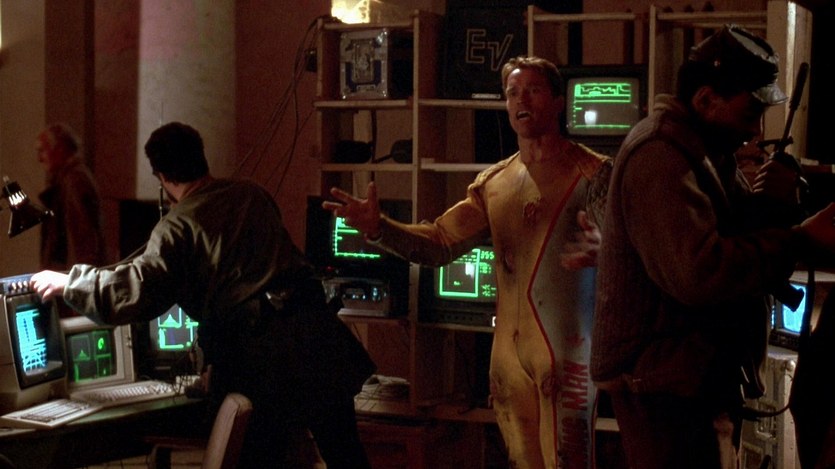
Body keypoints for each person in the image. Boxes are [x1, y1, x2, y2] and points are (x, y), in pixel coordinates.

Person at [30, 122, 376, 469]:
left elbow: (138, 289)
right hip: (319, 340)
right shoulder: (252, 194)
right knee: (346, 455)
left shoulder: (177, 226)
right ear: (200, 157)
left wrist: (70, 283)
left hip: (263, 365)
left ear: (162, 176)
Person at [325, 55, 611, 469]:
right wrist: (379, 228)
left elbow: (634, 247)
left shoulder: (593, 173)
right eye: (512, 93)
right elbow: (440, 242)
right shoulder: (494, 183)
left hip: (567, 353)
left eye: (532, 90)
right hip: (507, 359)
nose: (521, 100)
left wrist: (609, 251)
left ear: (557, 101)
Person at [590, 24, 835, 469]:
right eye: (749, 113)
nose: (755, 130)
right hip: (661, 389)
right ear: (705, 100)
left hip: (688, 380)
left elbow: (733, 230)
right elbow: (700, 272)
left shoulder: (702, 148)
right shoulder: (660, 155)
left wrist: (774, 204)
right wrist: (798, 239)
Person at [35, 123, 107, 271]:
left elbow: (83, 240)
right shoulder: (70, 179)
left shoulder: (74, 181)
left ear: (60, 149)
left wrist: (79, 278)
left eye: (42, 150)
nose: (39, 159)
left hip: (72, 276)